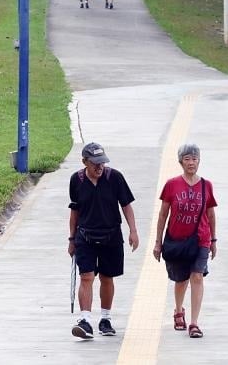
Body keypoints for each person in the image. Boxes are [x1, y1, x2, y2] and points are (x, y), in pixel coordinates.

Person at [68, 142, 139, 339]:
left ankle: (105, 319)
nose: (100, 167)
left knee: (107, 277)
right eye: (95, 163)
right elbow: (75, 211)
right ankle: (85, 320)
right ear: (84, 162)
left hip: (111, 236)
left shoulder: (114, 177)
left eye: (102, 163)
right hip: (85, 236)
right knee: (86, 277)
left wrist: (133, 231)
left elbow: (126, 206)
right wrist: (72, 239)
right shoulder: (76, 180)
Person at [152, 143, 217, 339]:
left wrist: (213, 239)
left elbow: (211, 214)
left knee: (197, 277)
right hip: (177, 240)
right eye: (187, 159)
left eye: (195, 158)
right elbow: (163, 215)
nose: (191, 162)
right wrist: (158, 242)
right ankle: (178, 310)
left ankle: (195, 323)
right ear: (181, 161)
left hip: (200, 240)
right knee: (181, 280)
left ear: (199, 161)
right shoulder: (172, 184)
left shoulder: (206, 185)